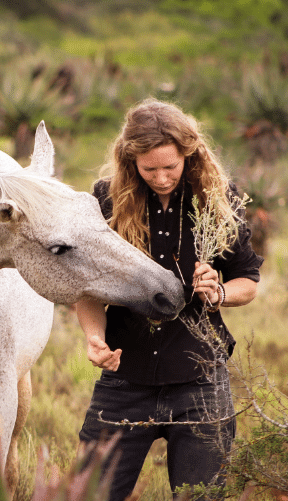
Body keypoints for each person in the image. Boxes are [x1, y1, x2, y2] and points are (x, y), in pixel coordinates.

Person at [77, 98, 263, 500]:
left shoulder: (216, 198)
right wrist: (95, 338)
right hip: (124, 380)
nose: (161, 178)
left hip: (200, 383)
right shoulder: (106, 200)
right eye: (149, 169)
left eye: (170, 167)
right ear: (131, 162)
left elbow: (247, 279)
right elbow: (87, 288)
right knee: (89, 494)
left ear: (188, 155)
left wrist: (220, 292)